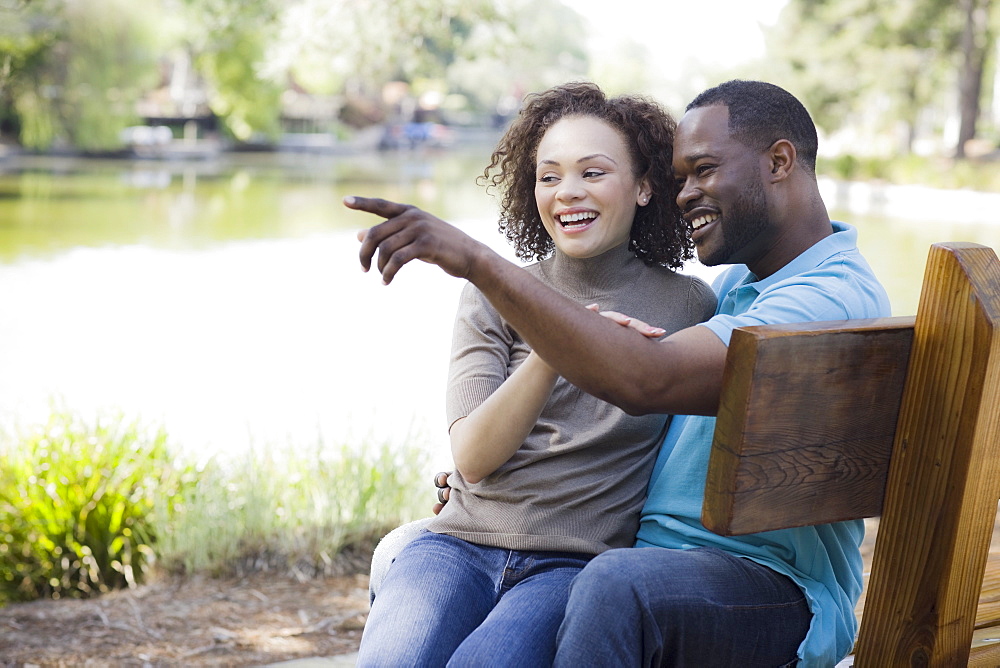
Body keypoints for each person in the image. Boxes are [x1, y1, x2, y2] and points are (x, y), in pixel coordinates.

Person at [351, 79, 891, 667]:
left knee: (607, 587)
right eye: (682, 177)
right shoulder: (737, 291)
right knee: (409, 558)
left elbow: (647, 380)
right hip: (632, 559)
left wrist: (480, 263)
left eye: (704, 170)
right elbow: (608, 435)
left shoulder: (817, 300)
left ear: (779, 162)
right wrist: (512, 483)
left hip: (745, 581)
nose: (686, 195)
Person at [350, 82, 717, 666]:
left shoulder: (692, 307)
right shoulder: (493, 293)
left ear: (646, 186)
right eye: (549, 177)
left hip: (573, 565)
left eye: (592, 173)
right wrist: (558, 347)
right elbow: (471, 456)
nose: (568, 192)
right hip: (458, 545)